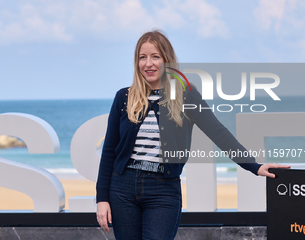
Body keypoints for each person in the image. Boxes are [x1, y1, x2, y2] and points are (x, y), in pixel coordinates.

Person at [96, 30, 290, 240]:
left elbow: (218, 132)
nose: (148, 63)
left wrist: (254, 166)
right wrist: (102, 198)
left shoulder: (185, 95)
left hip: (163, 189)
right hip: (122, 188)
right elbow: (109, 151)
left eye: (155, 57)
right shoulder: (124, 97)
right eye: (142, 57)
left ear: (167, 60)